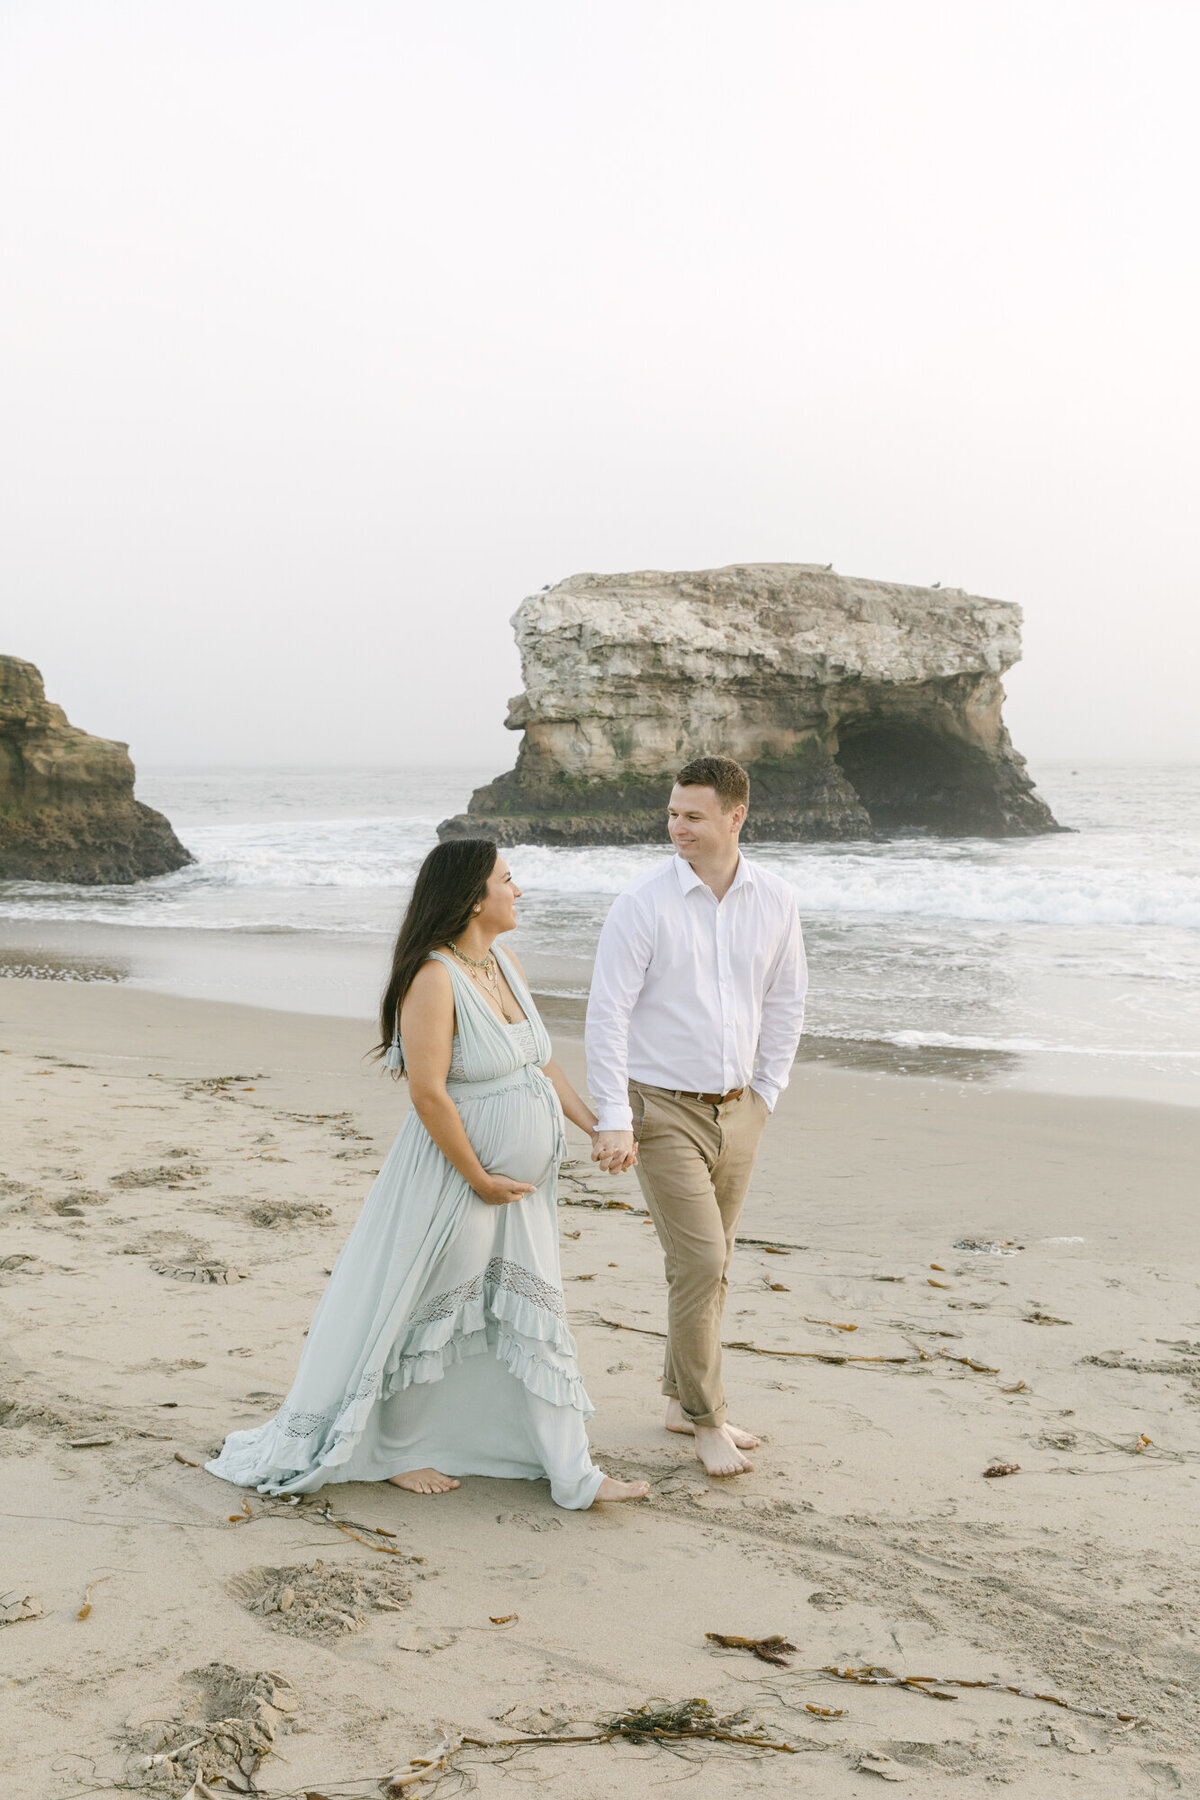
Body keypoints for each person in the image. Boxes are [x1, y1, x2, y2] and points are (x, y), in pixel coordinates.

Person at [207, 839, 648, 1509]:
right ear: (475, 897)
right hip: (455, 1181)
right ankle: (398, 1448)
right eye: (508, 880)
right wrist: (477, 1176)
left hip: (519, 1194)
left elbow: (540, 1063)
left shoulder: (504, 963)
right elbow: (429, 1093)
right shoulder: (434, 977)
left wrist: (597, 1127)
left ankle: (572, 1470)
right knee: (429, 1309)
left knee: (535, 1314)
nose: (519, 892)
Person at [586, 756, 807, 1477]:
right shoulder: (643, 902)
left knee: (710, 1266)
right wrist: (614, 1115)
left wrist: (768, 1093)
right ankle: (708, 1420)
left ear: (735, 817)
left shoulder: (775, 899)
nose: (676, 826)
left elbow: (785, 1000)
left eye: (692, 815)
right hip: (660, 1111)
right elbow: (607, 1013)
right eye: (673, 813)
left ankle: (680, 1400)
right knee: (701, 1261)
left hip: (739, 1108)